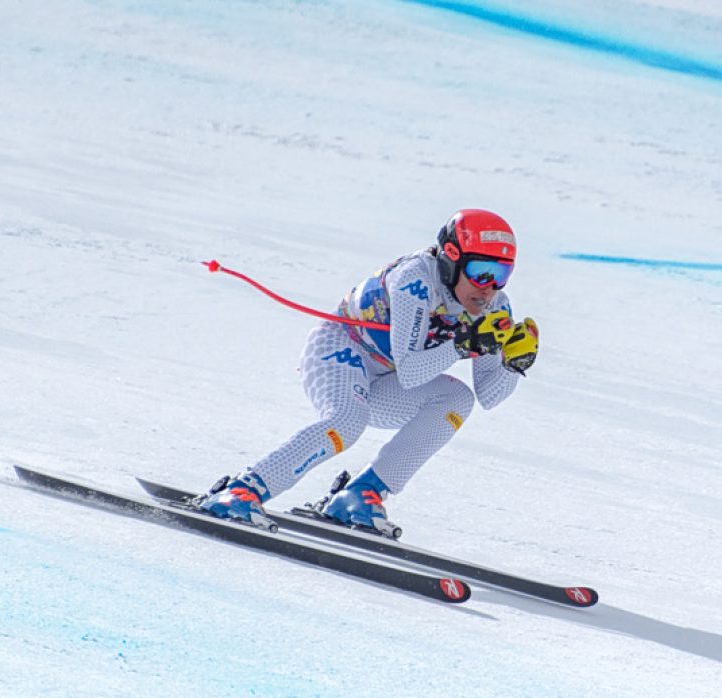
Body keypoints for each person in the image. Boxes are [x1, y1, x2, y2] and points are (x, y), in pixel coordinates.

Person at [197, 208, 538, 537]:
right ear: (451, 259)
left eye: (502, 274)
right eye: (481, 271)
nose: (489, 286)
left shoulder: (494, 305)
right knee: (346, 421)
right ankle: (243, 490)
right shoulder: (416, 280)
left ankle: (361, 494)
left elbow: (489, 396)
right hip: (341, 352)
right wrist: (463, 346)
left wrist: (513, 364)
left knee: (456, 399)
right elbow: (410, 373)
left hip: (383, 376)